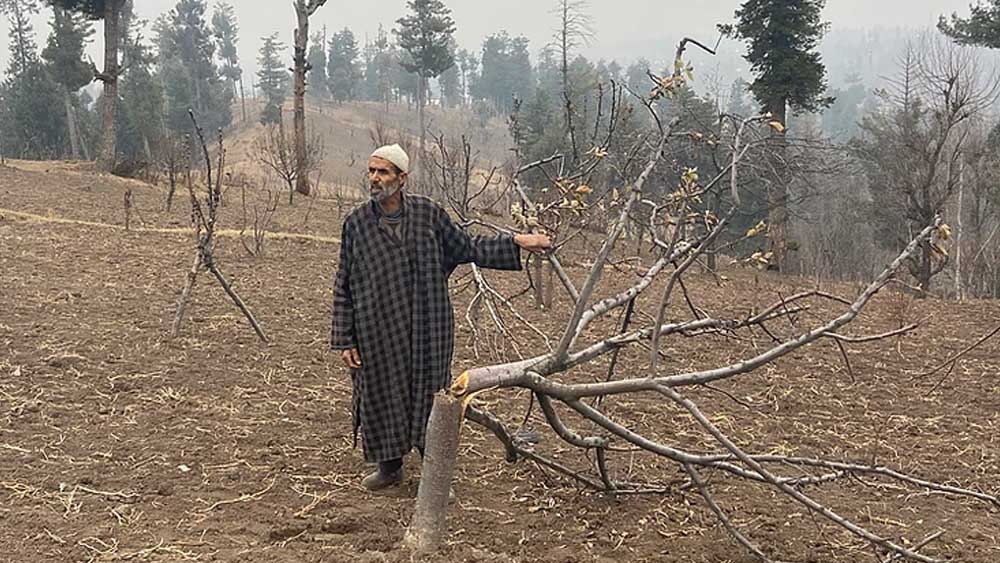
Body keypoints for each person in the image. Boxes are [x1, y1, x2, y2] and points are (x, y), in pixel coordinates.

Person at [331, 144, 551, 490]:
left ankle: (434, 471)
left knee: (429, 395)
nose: (374, 178)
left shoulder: (428, 215)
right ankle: (389, 468)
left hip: (427, 328)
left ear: (402, 178)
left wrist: (516, 242)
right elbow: (342, 282)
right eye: (372, 171)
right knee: (380, 393)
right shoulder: (356, 223)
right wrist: (344, 338)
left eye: (383, 172)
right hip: (375, 331)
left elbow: (468, 246)